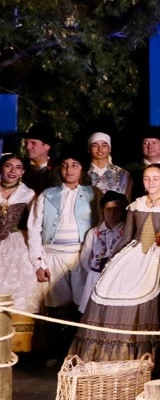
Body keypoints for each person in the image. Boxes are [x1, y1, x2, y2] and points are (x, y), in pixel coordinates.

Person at [69, 164, 160, 364]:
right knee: (112, 287)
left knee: (154, 296)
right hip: (135, 253)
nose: (151, 182)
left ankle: (154, 358)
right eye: (147, 178)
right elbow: (127, 237)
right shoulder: (135, 205)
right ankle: (115, 355)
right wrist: (113, 259)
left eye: (156, 178)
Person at [27, 151, 98, 357]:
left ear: (82, 169)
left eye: (75, 164)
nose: (69, 169)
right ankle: (57, 353)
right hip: (53, 254)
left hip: (82, 254)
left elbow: (101, 226)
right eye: (65, 165)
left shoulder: (94, 194)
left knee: (81, 305)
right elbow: (34, 229)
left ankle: (78, 353)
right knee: (57, 306)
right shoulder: (47, 195)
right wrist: (38, 262)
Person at [0, 153, 40, 353]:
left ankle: (17, 347)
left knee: (19, 289)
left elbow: (34, 225)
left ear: (23, 172)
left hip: (16, 244)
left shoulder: (28, 193)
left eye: (17, 167)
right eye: (8, 166)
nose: (12, 171)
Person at [74, 190, 129, 313]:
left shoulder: (126, 233)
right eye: (108, 209)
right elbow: (85, 258)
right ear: (102, 211)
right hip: (95, 277)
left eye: (116, 209)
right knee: (93, 311)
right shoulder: (94, 233)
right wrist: (95, 272)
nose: (112, 213)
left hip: (117, 279)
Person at [85, 132, 131, 197]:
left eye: (104, 145)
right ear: (89, 149)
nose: (100, 149)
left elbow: (126, 201)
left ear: (110, 149)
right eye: (94, 145)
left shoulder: (122, 174)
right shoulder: (82, 174)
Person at [21, 123, 59, 193]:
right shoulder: (20, 167)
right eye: (26, 143)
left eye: (33, 143)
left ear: (47, 146)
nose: (27, 147)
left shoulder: (58, 170)